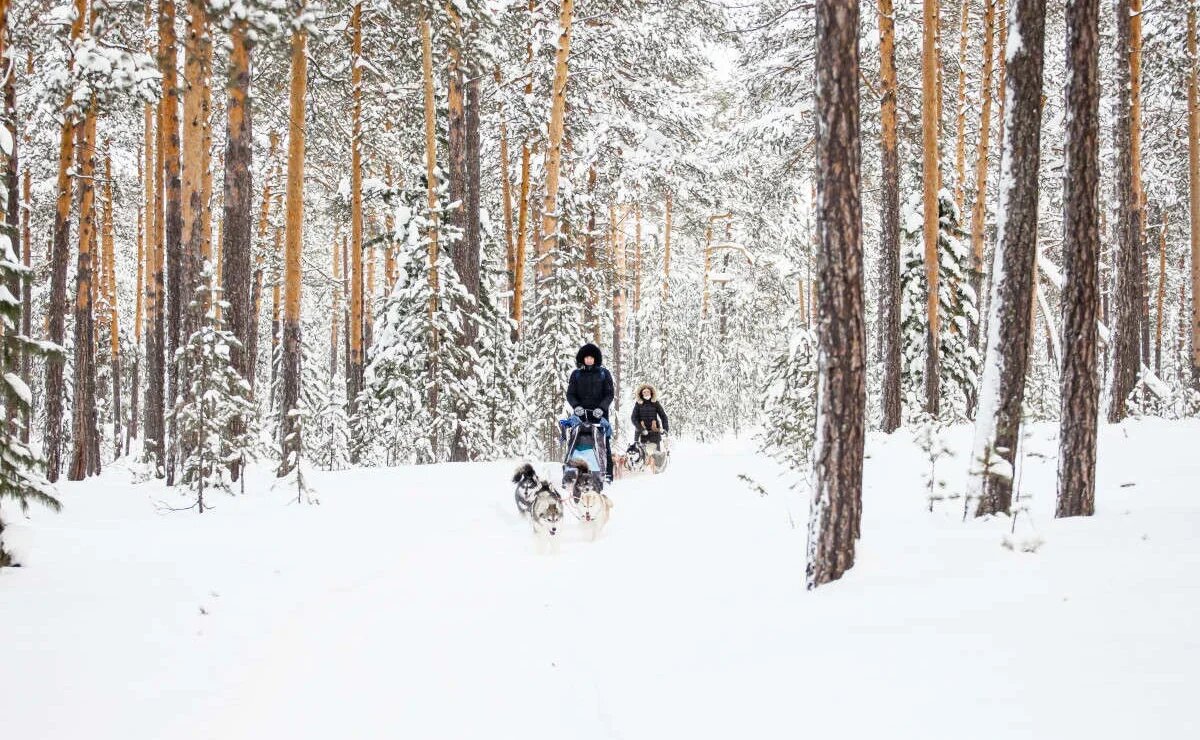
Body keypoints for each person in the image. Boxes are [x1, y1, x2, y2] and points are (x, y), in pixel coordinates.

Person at [566, 343, 615, 481]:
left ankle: (607, 474)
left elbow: (610, 394)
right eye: (586, 357)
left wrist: (602, 408)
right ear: (582, 358)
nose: (588, 360)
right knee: (576, 442)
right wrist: (576, 406)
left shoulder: (604, 373)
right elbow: (570, 394)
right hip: (581, 415)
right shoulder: (576, 374)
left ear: (595, 359)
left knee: (604, 443)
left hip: (600, 416)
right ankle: (573, 471)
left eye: (591, 357)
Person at [631, 384, 669, 471]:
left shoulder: (655, 403)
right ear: (641, 394)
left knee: (657, 454)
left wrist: (665, 429)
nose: (646, 393)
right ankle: (644, 472)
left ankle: (658, 470)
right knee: (643, 453)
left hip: (654, 431)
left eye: (648, 391)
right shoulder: (638, 404)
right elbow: (633, 418)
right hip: (642, 433)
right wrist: (640, 428)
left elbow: (663, 416)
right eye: (644, 392)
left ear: (651, 392)